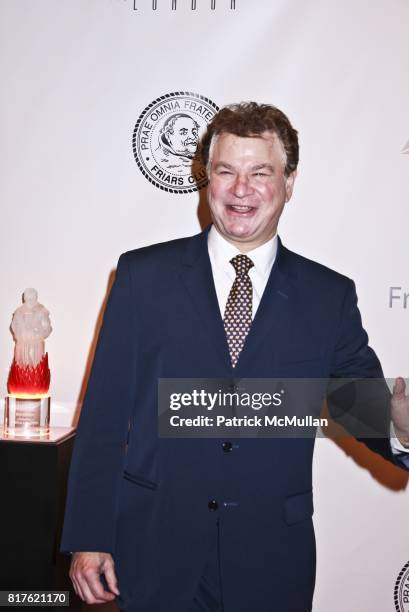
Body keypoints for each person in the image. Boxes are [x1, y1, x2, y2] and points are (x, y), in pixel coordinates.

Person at [61, 102, 409, 612]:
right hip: (155, 551)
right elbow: (104, 418)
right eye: (226, 171)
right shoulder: (143, 277)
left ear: (289, 183)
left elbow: (361, 407)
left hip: (270, 557)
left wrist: (399, 421)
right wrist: (89, 535)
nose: (240, 189)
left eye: (260, 173)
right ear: (207, 180)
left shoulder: (326, 296)